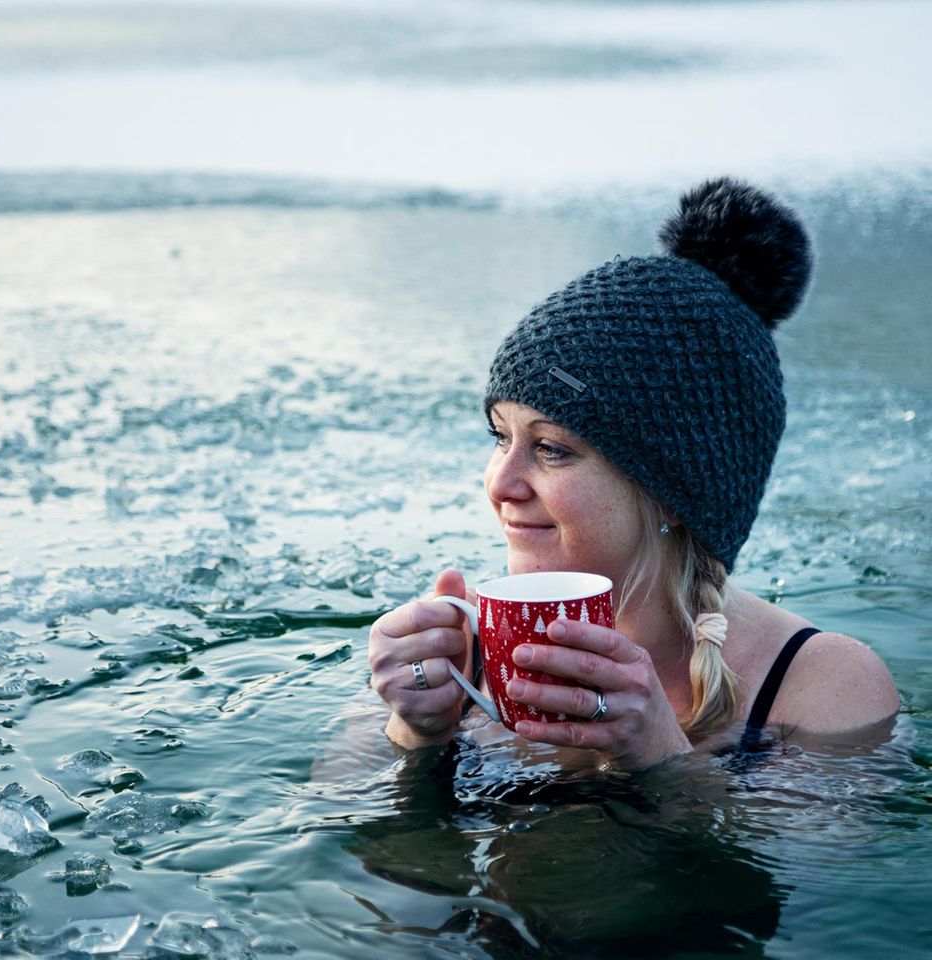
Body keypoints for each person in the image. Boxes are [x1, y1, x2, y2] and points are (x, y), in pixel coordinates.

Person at [367, 177, 899, 771]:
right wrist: (417, 730)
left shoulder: (823, 685)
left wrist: (660, 757)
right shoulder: (460, 651)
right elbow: (334, 833)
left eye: (551, 449)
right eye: (501, 438)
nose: (500, 484)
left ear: (673, 491)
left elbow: (804, 866)